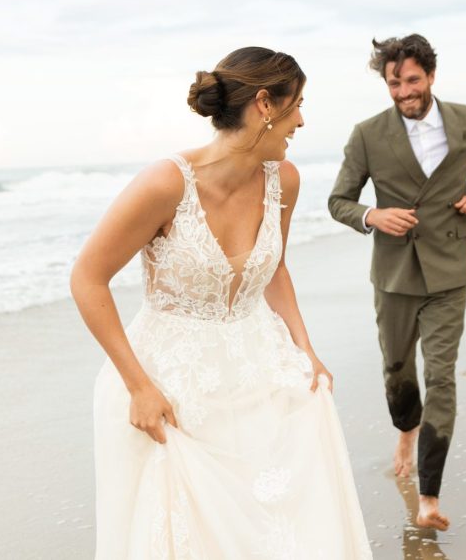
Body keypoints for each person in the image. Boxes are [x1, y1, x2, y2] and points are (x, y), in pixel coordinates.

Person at [71, 47, 371, 559]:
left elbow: (273, 268)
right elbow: (88, 279)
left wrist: (306, 349)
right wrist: (138, 387)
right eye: (297, 104)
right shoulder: (165, 183)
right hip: (170, 384)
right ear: (264, 104)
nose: (302, 119)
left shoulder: (285, 180)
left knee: (279, 525)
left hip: (259, 369)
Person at [328, 34, 466, 530]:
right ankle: (406, 427)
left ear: (430, 76)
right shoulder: (367, 134)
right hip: (394, 273)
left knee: (442, 377)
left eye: (412, 80)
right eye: (394, 82)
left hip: (450, 266)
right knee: (397, 368)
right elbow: (338, 199)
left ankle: (430, 495)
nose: (404, 91)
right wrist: (372, 215)